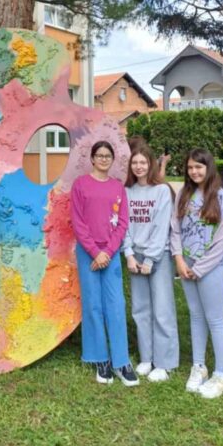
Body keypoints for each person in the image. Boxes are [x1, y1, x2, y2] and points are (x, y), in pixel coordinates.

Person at [70, 141, 138, 386]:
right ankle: (101, 359)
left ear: (112, 159)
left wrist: (107, 252)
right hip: (88, 252)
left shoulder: (117, 187)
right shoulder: (80, 185)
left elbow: (122, 222)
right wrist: (94, 252)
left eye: (107, 156)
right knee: (93, 305)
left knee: (116, 305)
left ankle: (121, 361)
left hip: (111, 253)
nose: (103, 159)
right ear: (92, 158)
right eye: (99, 155)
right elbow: (77, 222)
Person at [171, 149, 223, 399]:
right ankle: (198, 366)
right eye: (190, 167)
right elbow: (175, 228)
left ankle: (222, 375)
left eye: (199, 167)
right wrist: (179, 259)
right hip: (186, 266)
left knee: (215, 318)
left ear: (209, 168)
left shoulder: (222, 197)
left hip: (212, 268)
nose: (194, 172)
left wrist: (200, 268)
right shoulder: (183, 194)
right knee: (196, 315)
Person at [123, 145, 179, 382]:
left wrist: (150, 258)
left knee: (162, 309)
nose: (139, 167)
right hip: (135, 255)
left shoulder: (161, 191)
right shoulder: (127, 191)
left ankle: (165, 362)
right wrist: (128, 254)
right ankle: (147, 357)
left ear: (151, 164)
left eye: (143, 163)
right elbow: (123, 225)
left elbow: (161, 226)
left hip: (158, 256)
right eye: (135, 163)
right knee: (140, 309)